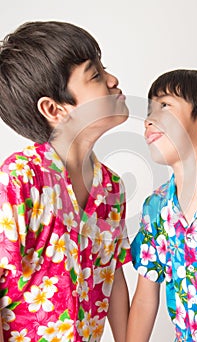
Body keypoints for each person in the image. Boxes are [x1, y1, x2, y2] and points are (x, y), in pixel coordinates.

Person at [0, 21, 131, 342]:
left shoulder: (112, 187)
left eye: (105, 69)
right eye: (96, 75)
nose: (113, 80)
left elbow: (112, 277)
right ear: (54, 109)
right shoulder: (21, 179)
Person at [127, 69, 197, 342]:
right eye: (149, 111)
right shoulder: (155, 208)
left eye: (164, 106)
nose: (148, 121)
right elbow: (144, 299)